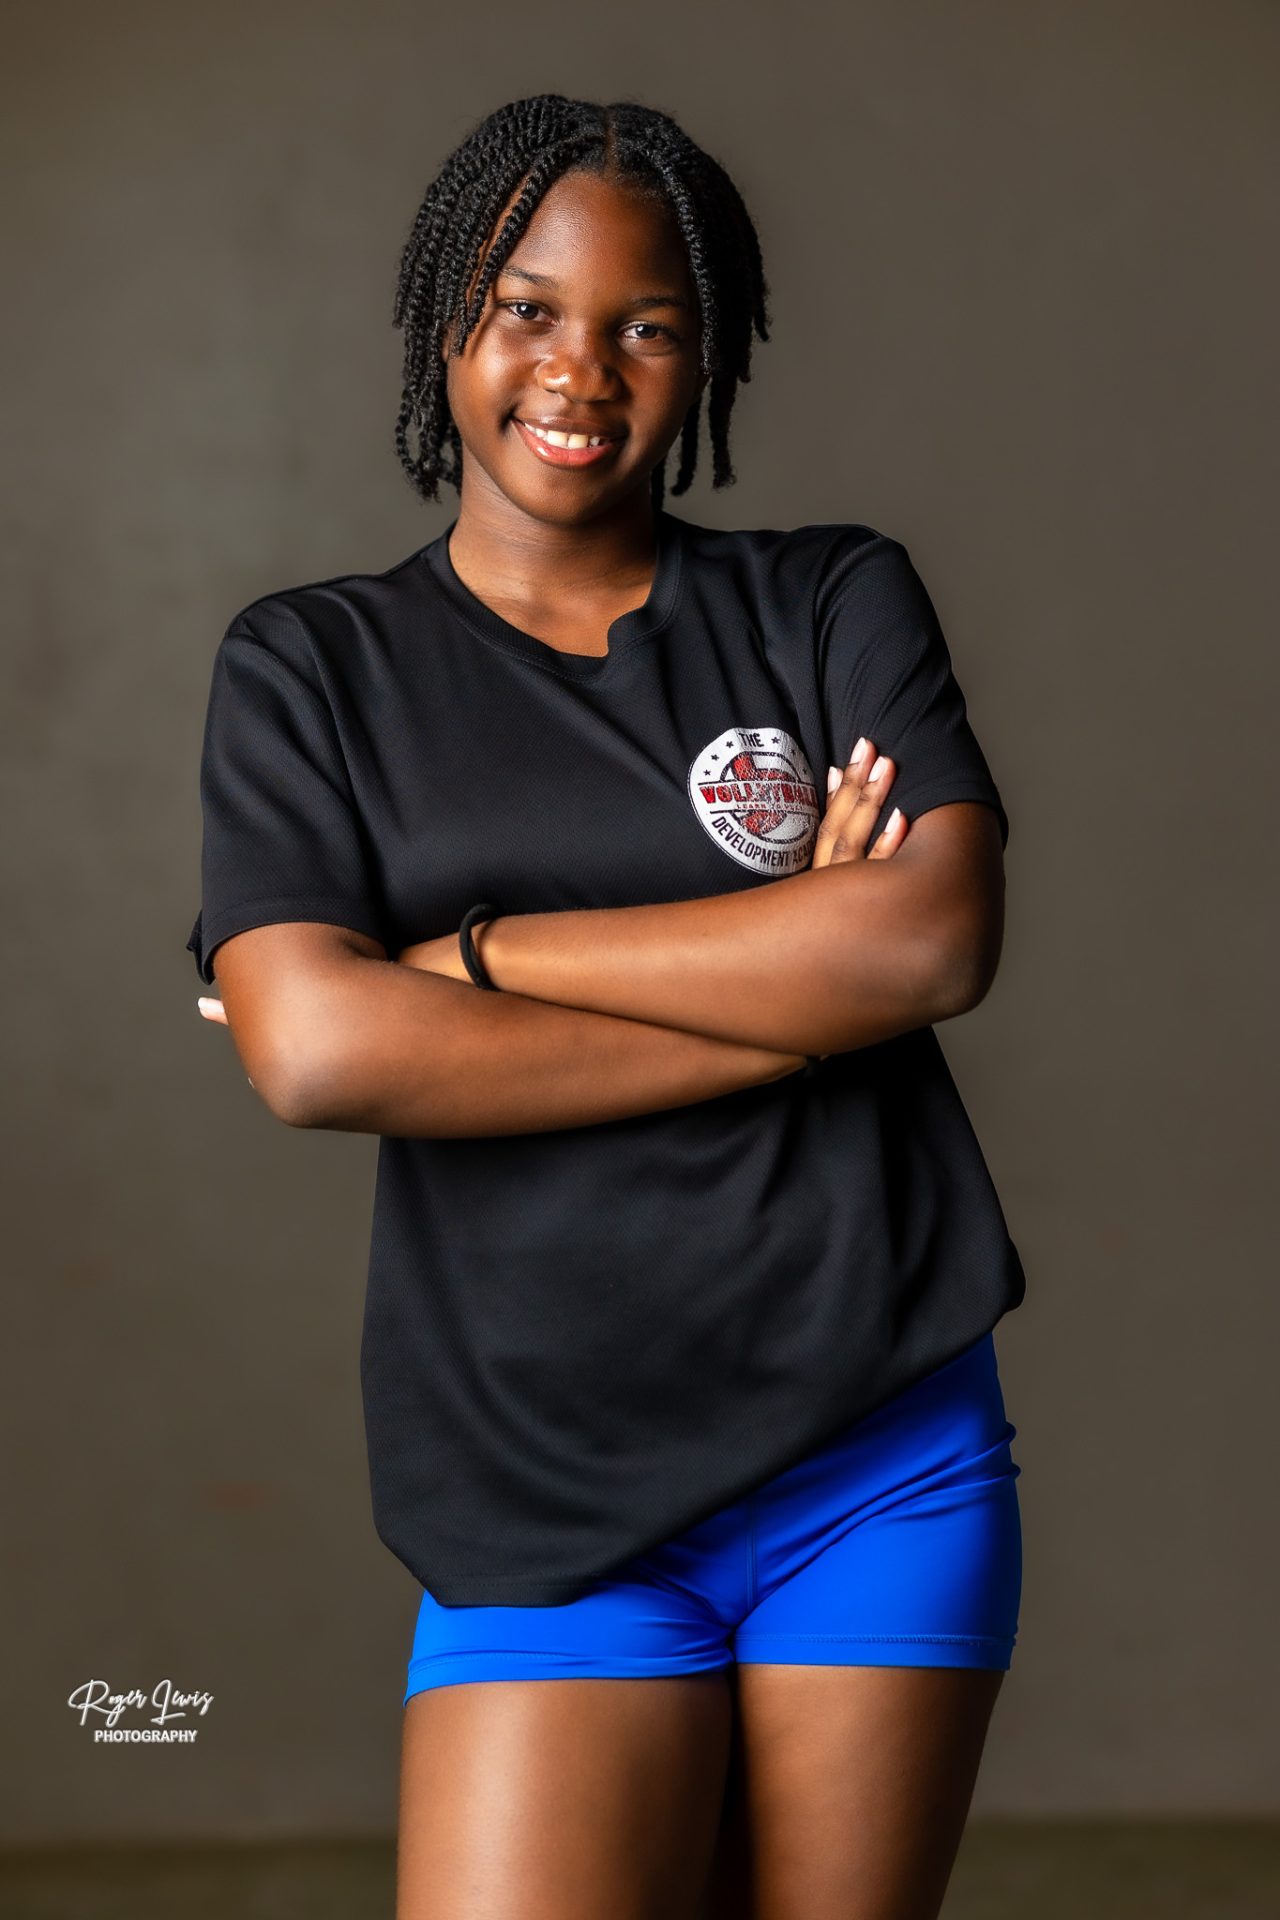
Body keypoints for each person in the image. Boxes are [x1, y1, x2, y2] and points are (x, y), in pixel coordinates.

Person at [188, 94, 1025, 1920]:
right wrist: (791, 986)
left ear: (706, 355)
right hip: (541, 1487)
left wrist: (482, 957)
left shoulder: (827, 599)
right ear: (447, 323)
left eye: (646, 324)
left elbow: (931, 944)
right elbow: (316, 1050)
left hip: (876, 1456)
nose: (579, 370)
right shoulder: (314, 669)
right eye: (527, 309)